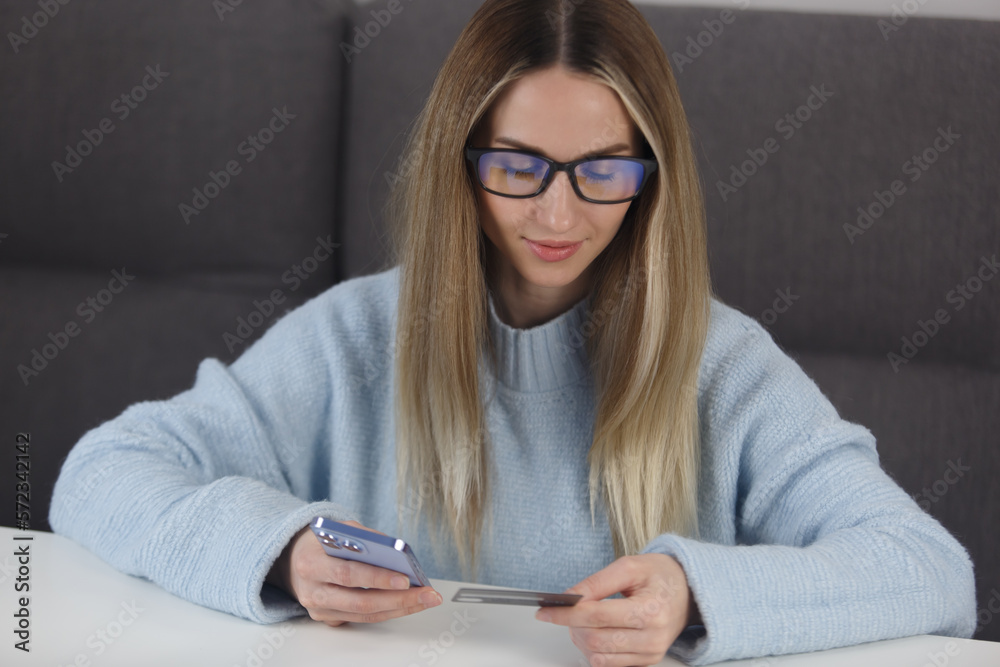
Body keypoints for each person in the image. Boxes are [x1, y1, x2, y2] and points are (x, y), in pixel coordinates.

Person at [49, 0, 976, 665]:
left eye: (603, 171)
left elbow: (930, 569)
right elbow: (101, 470)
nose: (558, 213)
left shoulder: (721, 366)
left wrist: (701, 594)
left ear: (654, 177)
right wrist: (278, 550)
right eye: (518, 166)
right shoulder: (355, 337)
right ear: (461, 165)